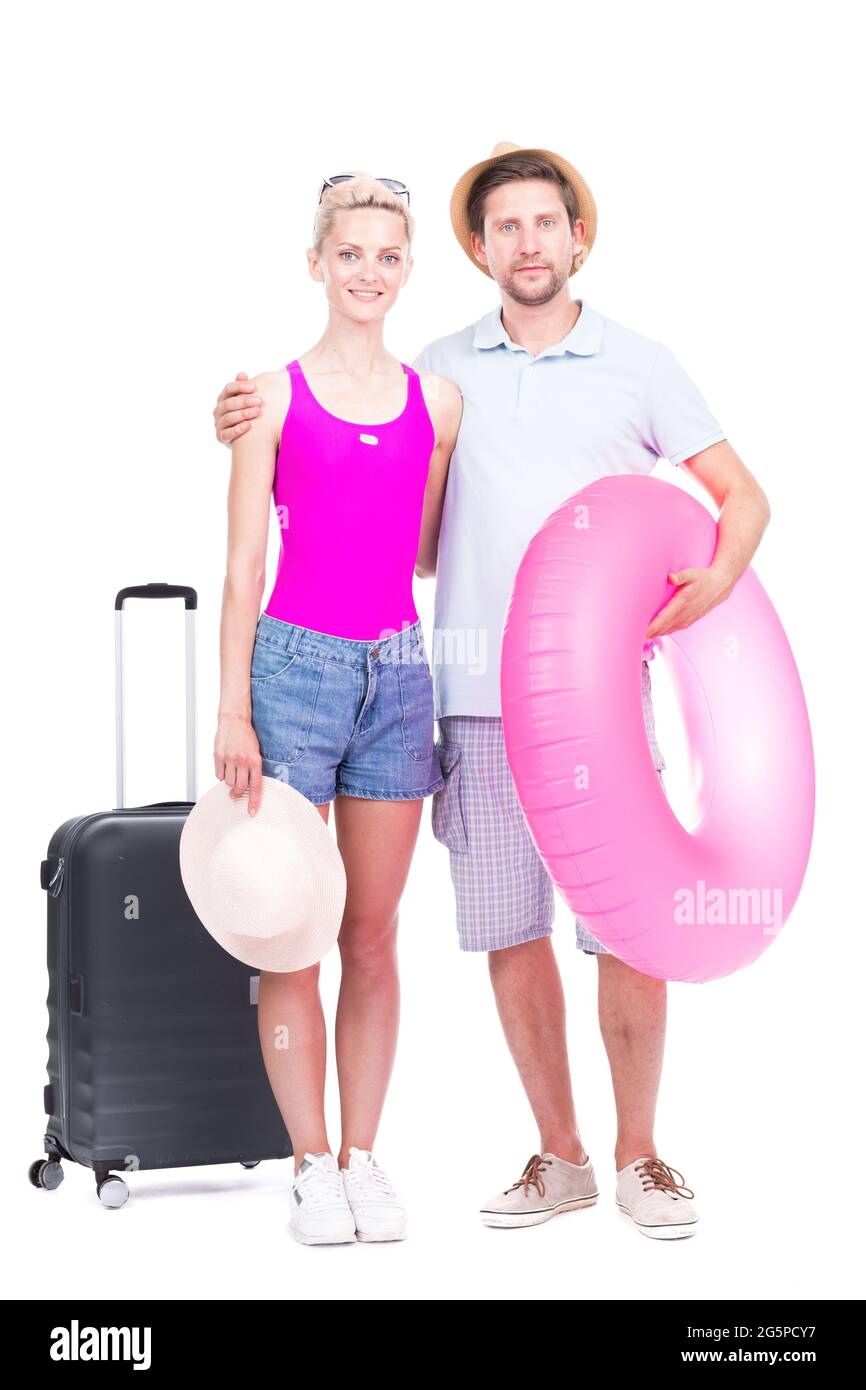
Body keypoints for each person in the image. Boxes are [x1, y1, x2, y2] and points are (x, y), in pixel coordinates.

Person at [213, 143, 771, 1242]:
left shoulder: (638, 363)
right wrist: (245, 420)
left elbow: (740, 497)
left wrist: (710, 580)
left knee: (624, 932)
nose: (526, 243)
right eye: (503, 227)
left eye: (543, 224)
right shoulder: (439, 372)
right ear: (475, 248)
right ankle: (558, 1158)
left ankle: (639, 1155)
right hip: (464, 689)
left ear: (577, 236)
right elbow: (375, 486)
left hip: (602, 697)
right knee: (508, 933)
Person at [213, 172, 461, 1245]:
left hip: (398, 674)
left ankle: (363, 1157)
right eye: (349, 253)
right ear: (317, 263)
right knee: (290, 932)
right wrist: (232, 709)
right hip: (291, 673)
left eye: (388, 255)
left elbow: (421, 549)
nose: (369, 272)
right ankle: (308, 1163)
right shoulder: (267, 397)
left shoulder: (434, 403)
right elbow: (239, 564)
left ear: (409, 267)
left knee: (370, 933)